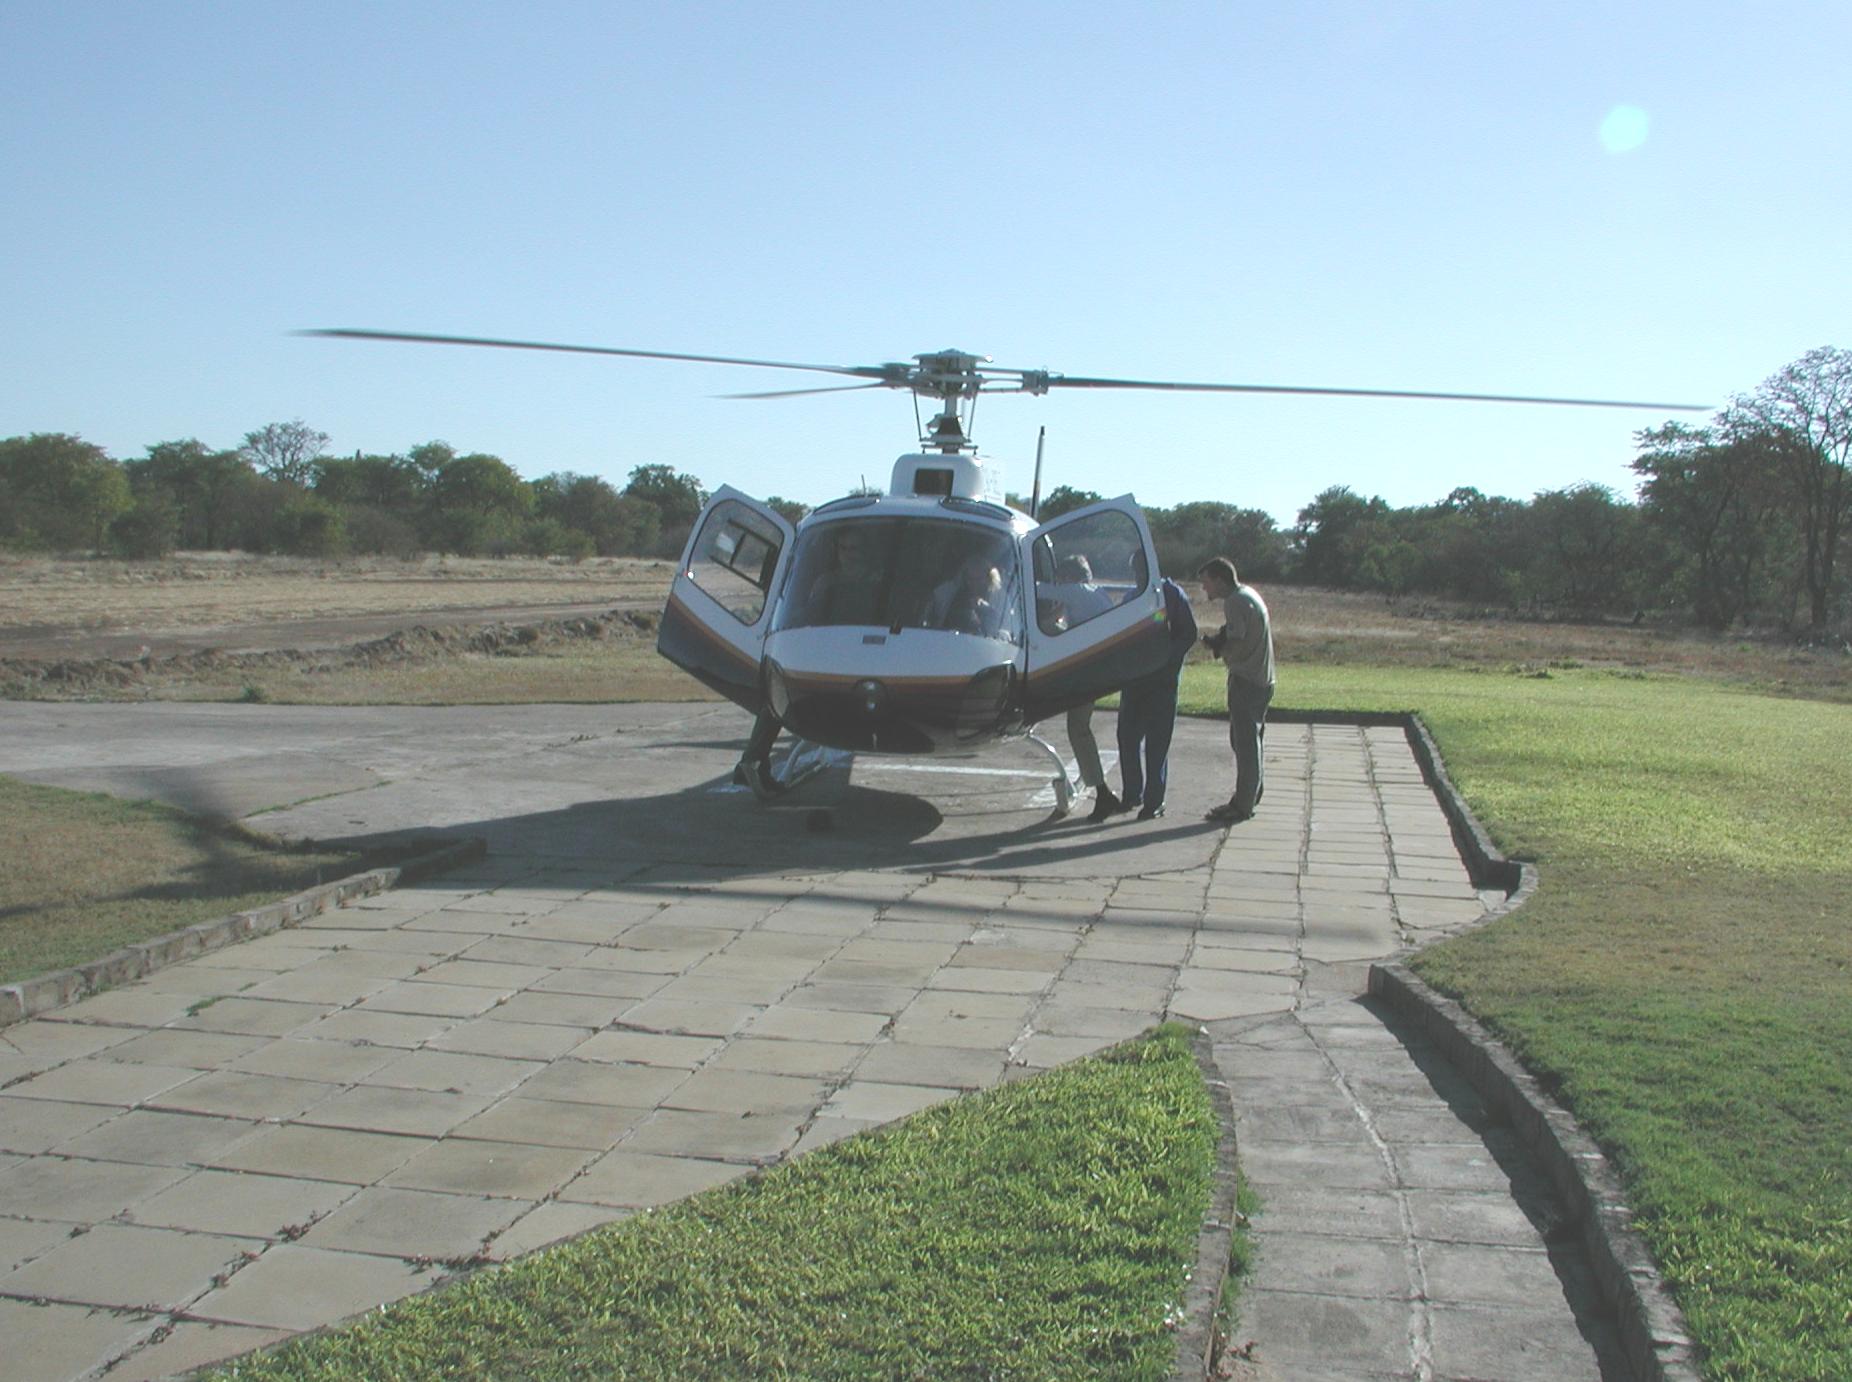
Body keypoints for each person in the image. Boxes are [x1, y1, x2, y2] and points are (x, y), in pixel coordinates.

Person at [1115, 567, 1198, 821]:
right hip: (1135, 681)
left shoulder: (1172, 594)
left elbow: (1188, 633)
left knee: (1157, 743)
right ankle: (1132, 793)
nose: (1137, 574)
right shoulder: (1131, 596)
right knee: (1127, 738)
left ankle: (1154, 801)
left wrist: (1165, 658)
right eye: (1135, 569)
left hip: (1162, 682)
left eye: (1141, 568)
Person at [1047, 555, 1124, 821]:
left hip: (1089, 672)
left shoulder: (1076, 591)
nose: (1059, 584)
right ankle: (1102, 791)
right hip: (1098, 669)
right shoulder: (1095, 593)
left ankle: (1103, 794)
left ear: (1070, 578)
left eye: (1061, 579)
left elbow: (1038, 590)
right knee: (1079, 728)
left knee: (1078, 729)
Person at [1198, 556, 1275, 824]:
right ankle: (1249, 796)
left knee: (1245, 744)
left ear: (1220, 579)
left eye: (1206, 582)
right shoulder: (1248, 594)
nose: (1204, 588)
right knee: (1250, 741)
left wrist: (1217, 647)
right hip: (1262, 679)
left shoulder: (1235, 601)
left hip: (1247, 680)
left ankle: (1243, 806)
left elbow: (1238, 641)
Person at [924, 550, 1006, 636]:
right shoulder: (947, 592)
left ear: (989, 578)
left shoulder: (1001, 599)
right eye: (970, 579)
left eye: (979, 579)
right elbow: (929, 615)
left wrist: (985, 610)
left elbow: (1004, 631)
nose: (974, 583)